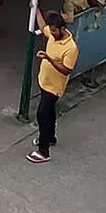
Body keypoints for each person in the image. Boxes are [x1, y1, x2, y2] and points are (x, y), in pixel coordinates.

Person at [30, 11, 78, 163]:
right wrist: (36, 9)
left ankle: (43, 151)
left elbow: (66, 70)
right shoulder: (52, 34)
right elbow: (42, 25)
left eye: (54, 31)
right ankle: (50, 137)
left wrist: (49, 59)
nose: (51, 33)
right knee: (49, 112)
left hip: (55, 87)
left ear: (62, 29)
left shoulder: (71, 48)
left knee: (42, 114)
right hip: (45, 81)